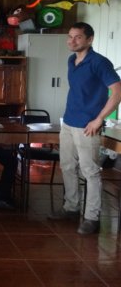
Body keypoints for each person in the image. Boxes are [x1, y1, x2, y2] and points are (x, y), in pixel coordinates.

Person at [48, 22, 121, 235]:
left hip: (88, 125)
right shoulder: (72, 60)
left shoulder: (99, 62)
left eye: (78, 37)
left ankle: (92, 217)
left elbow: (117, 93)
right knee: (68, 166)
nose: (72, 41)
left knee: (90, 171)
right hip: (69, 122)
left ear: (90, 39)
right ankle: (71, 208)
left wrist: (99, 119)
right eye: (70, 36)